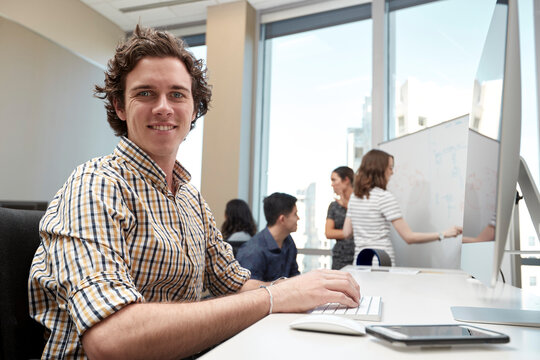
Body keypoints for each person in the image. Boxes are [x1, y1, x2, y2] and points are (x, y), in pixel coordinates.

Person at [28, 26, 361, 360]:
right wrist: (275, 298)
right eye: (145, 93)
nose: (163, 107)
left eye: (177, 94)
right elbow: (111, 339)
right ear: (119, 106)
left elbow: (235, 285)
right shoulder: (97, 184)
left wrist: (307, 291)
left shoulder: (190, 199)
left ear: (194, 107)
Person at [343, 149, 462, 265]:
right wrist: (444, 234)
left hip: (360, 262)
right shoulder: (384, 197)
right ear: (379, 169)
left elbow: (346, 232)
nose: (392, 172)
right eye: (390, 168)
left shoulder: (354, 197)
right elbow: (409, 237)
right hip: (380, 263)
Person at [236, 192, 301, 281]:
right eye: (295, 214)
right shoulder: (253, 251)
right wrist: (283, 286)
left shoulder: (288, 241)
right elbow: (249, 289)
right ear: (282, 219)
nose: (298, 218)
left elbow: (294, 276)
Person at [326, 166, 356, 270]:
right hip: (340, 257)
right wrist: (349, 233)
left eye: (334, 180)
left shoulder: (360, 203)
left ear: (346, 180)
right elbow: (328, 233)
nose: (332, 184)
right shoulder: (334, 206)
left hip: (359, 254)